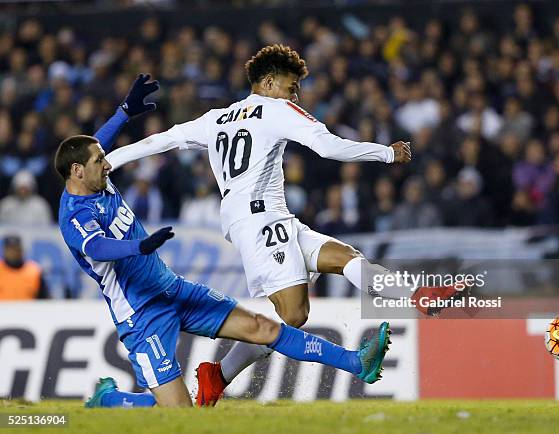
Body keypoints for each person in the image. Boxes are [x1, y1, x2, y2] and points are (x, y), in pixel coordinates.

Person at [104, 46, 458, 406]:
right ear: (270, 83)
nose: (296, 95)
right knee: (293, 314)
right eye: (291, 87)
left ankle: (415, 297)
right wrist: (386, 153)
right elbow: (327, 146)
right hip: (261, 221)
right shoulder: (274, 109)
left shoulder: (216, 118)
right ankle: (221, 374)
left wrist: (108, 161)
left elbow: (159, 140)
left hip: (267, 218)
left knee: (345, 257)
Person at [56, 76, 391, 408]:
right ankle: (112, 400)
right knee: (181, 414)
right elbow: (96, 247)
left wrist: (124, 112)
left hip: (172, 288)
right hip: (141, 312)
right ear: (77, 171)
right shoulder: (74, 215)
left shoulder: (94, 177)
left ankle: (355, 363)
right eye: (100, 161)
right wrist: (137, 247)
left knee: (263, 327)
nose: (108, 163)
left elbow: (93, 146)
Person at [0, 234, 48, 300]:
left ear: (21, 249)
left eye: (16, 249)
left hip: (29, 310)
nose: (13, 252)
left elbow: (45, 299)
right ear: (4, 250)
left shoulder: (34, 271)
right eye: (10, 249)